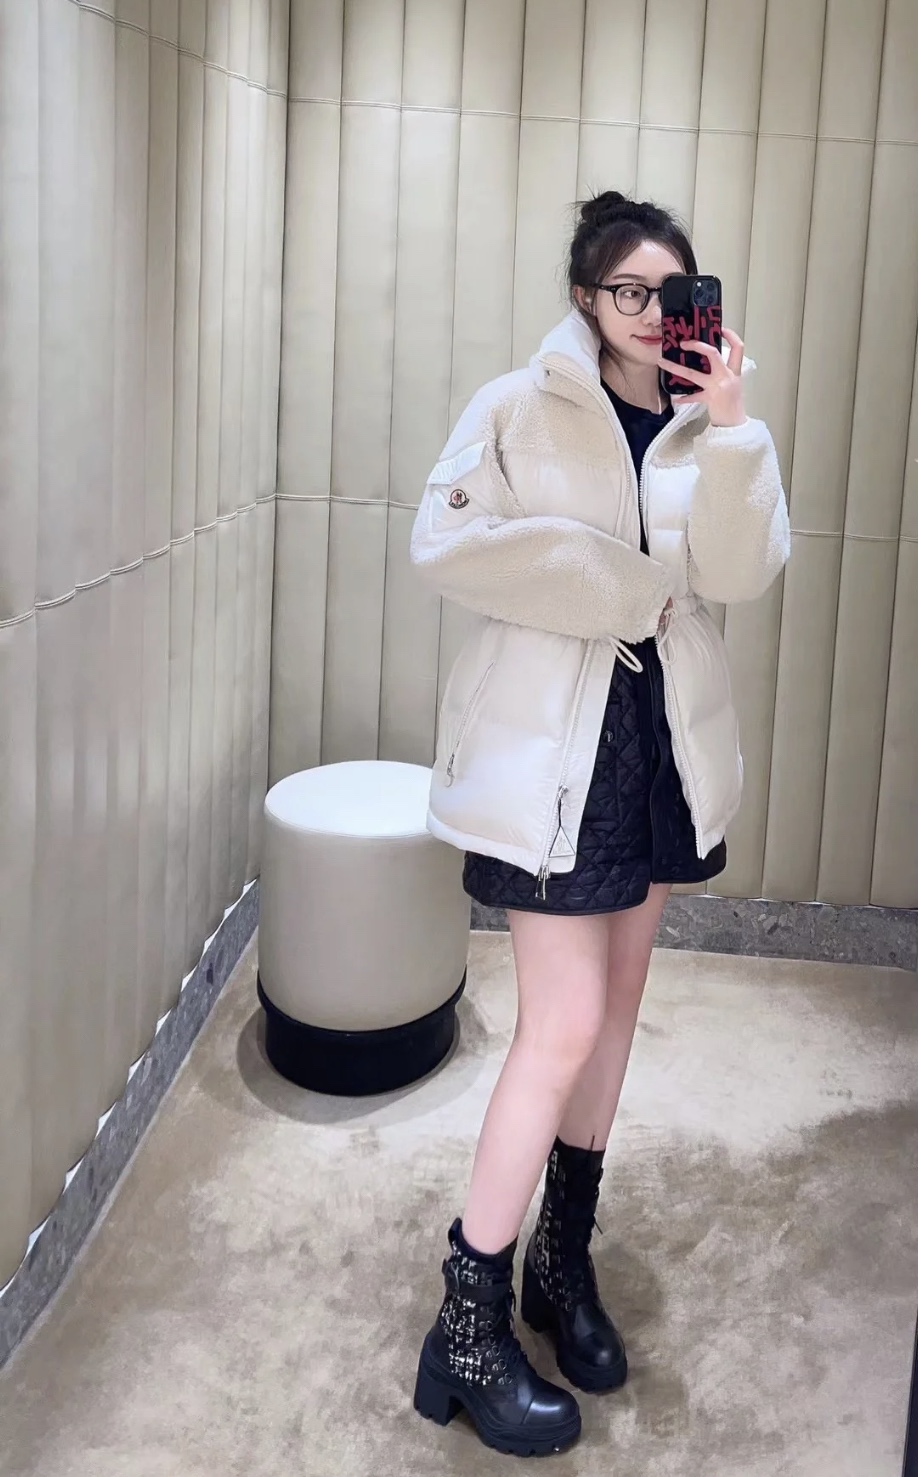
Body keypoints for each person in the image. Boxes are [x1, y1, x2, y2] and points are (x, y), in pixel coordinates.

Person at [408, 190, 790, 1458]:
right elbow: (446, 545)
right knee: (560, 1025)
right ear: (586, 296)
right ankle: (465, 1327)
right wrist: (618, 587)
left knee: (616, 1015)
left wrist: (730, 431)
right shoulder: (518, 405)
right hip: (549, 757)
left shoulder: (704, 420)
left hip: (661, 750)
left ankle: (559, 1267)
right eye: (629, 289)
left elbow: (738, 573)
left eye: (672, 292)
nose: (651, 311)